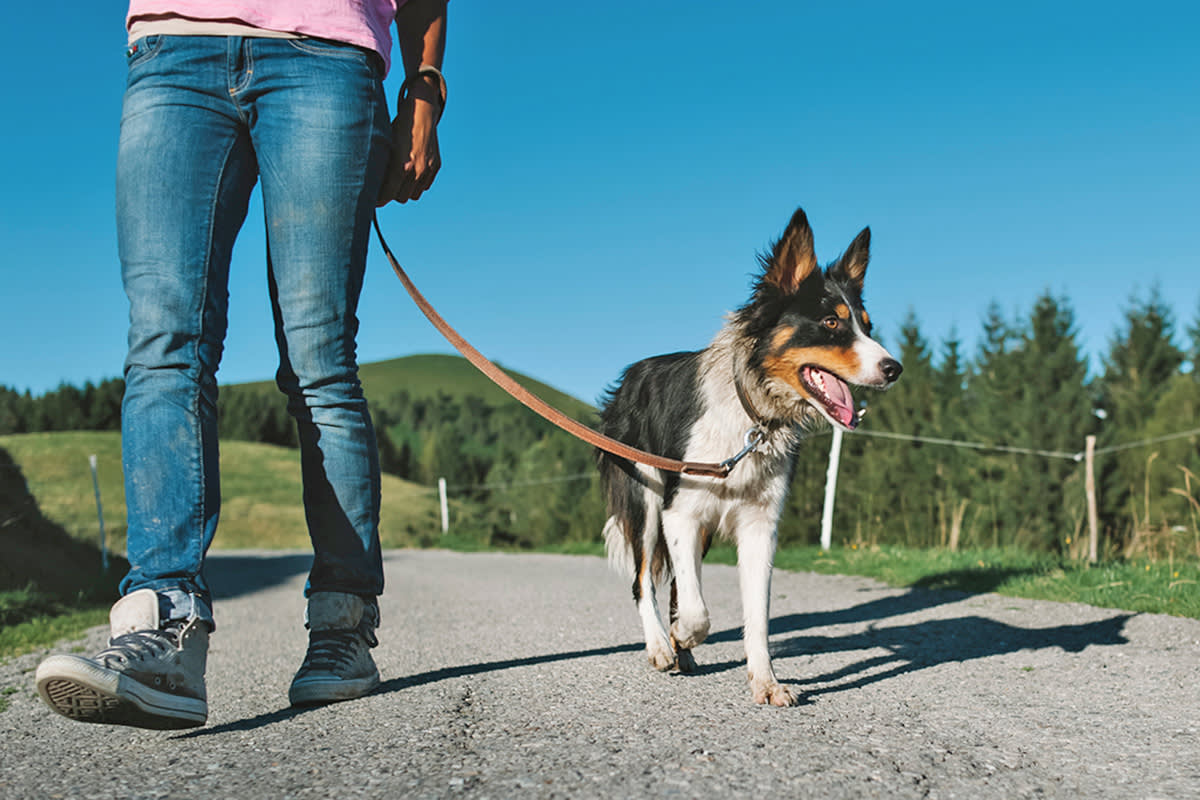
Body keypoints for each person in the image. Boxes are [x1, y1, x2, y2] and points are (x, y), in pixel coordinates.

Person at [34, 0, 448, 729]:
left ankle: (343, 626)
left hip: (328, 52)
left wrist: (424, 88)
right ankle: (163, 628)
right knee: (164, 344)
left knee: (319, 359)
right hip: (175, 47)